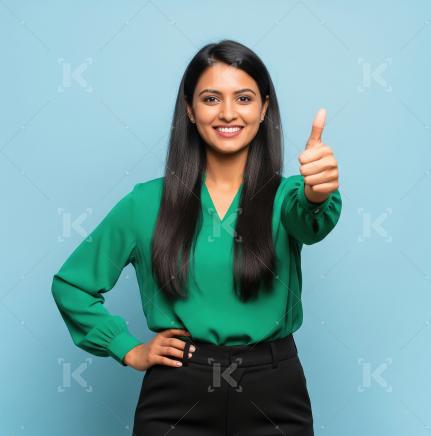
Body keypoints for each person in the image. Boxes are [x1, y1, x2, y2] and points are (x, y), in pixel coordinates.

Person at [50, 39, 342, 436]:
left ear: (264, 108)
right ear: (189, 109)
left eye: (243, 97)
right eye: (210, 98)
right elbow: (73, 285)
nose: (227, 113)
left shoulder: (288, 196)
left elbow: (310, 220)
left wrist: (318, 192)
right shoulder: (145, 203)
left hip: (274, 388)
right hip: (177, 390)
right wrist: (127, 348)